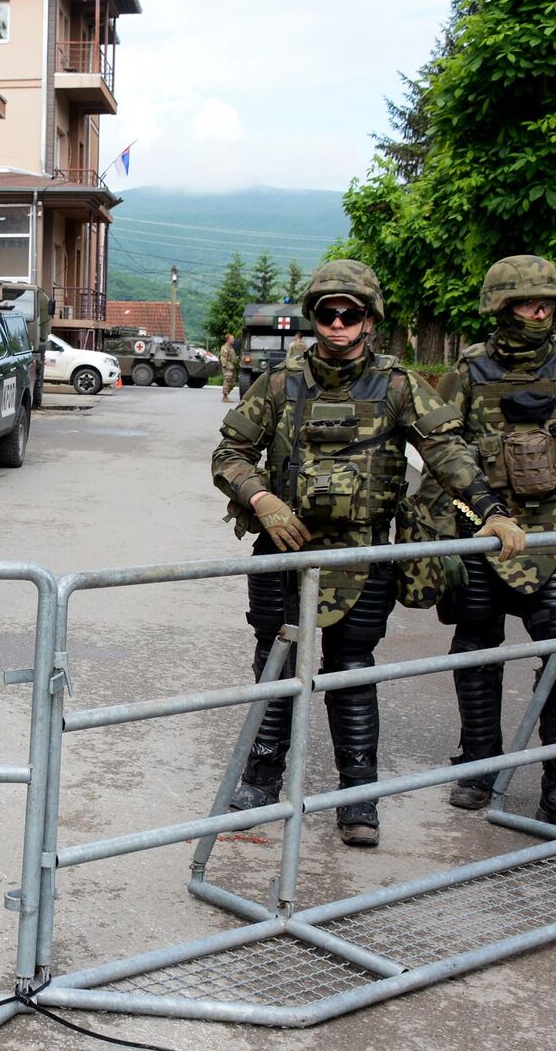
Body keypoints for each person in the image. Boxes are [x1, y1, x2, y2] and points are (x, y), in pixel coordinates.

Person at [211, 259, 526, 847]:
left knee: (352, 669)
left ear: (369, 320)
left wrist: (491, 510)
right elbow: (228, 454)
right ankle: (260, 778)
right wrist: (261, 497)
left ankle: (358, 798)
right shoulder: (279, 383)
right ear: (314, 318)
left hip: (363, 555)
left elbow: (448, 453)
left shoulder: (400, 385)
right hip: (285, 552)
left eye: (349, 313)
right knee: (274, 664)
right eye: (327, 313)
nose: (337, 323)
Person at [420, 255, 556, 823]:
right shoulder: (468, 371)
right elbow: (441, 458)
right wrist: (438, 540)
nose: (539, 311)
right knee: (475, 656)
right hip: (482, 536)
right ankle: (479, 765)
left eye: (547, 301)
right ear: (500, 307)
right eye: (526, 302)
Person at [220, 332, 239, 402]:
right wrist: (226, 366)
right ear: (228, 339)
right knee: (227, 380)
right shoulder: (225, 348)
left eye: (233, 339)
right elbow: (223, 358)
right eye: (232, 339)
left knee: (233, 382)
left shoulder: (231, 348)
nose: (233, 340)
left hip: (232, 367)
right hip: (227, 368)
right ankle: (225, 397)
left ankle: (227, 393)